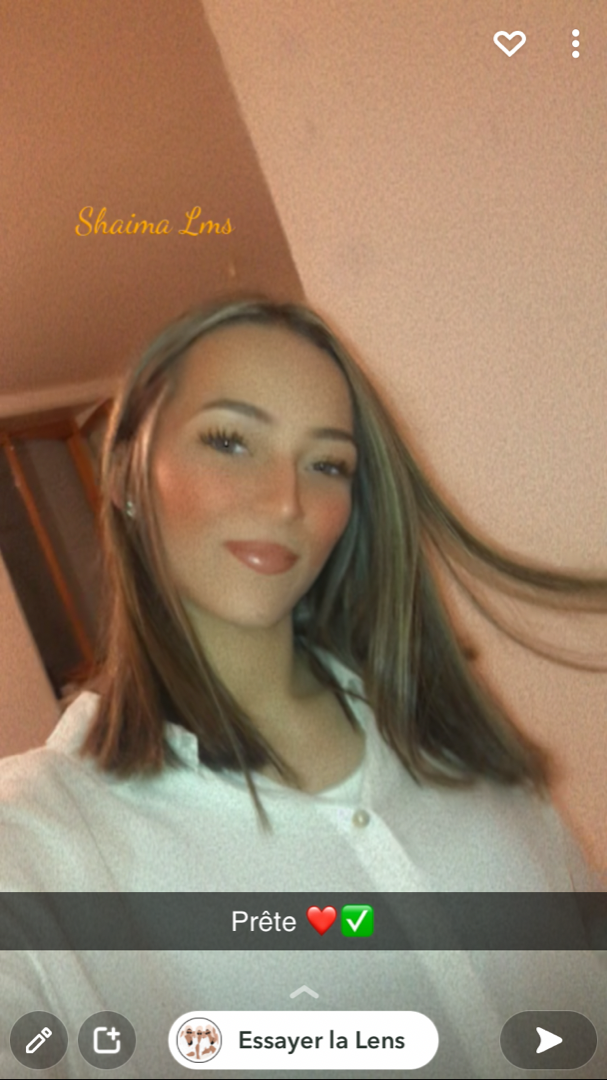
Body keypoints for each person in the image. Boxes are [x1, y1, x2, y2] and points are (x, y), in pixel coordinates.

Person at [0, 297, 605, 1079]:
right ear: (126, 476)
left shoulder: (462, 750)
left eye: (327, 464)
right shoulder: (31, 842)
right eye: (229, 440)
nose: (286, 500)